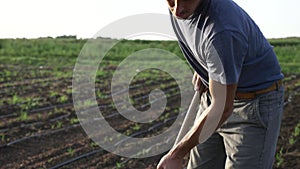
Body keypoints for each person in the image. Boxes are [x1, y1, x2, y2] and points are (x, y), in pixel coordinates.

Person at [157, 0, 284, 169]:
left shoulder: (222, 29)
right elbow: (205, 44)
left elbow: (223, 107)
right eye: (171, 0)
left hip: (252, 106)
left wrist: (176, 154)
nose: (177, 10)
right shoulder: (181, 10)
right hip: (214, 100)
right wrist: (210, 68)